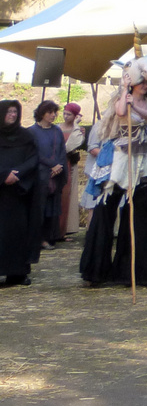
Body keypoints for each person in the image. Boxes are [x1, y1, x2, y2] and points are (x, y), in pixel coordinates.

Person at [80, 60, 147, 289]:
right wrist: (125, 92)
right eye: (141, 83)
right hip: (119, 159)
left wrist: (136, 104)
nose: (145, 86)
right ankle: (96, 271)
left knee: (141, 215)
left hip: (139, 161)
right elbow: (121, 111)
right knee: (105, 212)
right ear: (134, 82)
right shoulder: (121, 99)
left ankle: (141, 271)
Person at [0, 100, 40, 287]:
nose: (12, 115)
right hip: (1, 190)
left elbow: (33, 159)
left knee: (17, 233)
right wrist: (3, 176)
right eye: (9, 112)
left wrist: (18, 174)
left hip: (18, 193)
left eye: (15, 112)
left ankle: (17, 273)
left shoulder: (26, 136)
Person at [27, 100, 67, 250]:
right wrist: (51, 165)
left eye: (55, 112)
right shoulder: (31, 132)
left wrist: (59, 166)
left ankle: (49, 236)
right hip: (40, 175)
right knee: (39, 208)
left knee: (52, 208)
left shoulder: (57, 131)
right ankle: (37, 239)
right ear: (42, 113)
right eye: (50, 112)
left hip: (56, 175)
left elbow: (62, 151)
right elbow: (34, 153)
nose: (53, 115)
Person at [60, 102, 86, 240]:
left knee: (69, 194)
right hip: (59, 163)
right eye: (64, 113)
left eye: (69, 114)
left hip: (71, 163)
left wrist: (76, 126)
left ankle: (67, 228)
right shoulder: (58, 128)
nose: (65, 116)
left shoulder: (78, 130)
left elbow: (71, 145)